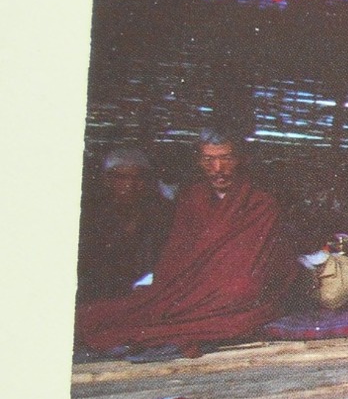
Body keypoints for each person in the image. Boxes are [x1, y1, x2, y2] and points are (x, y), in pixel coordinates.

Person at [75, 131, 296, 356]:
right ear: (199, 161)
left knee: (241, 291)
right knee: (113, 311)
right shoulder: (192, 197)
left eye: (226, 158)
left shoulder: (260, 202)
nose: (218, 168)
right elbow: (177, 250)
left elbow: (262, 259)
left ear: (240, 159)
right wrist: (168, 280)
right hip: (189, 284)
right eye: (209, 160)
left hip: (228, 284)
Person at [75, 147, 174, 303]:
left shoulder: (161, 217)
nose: (130, 185)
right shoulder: (92, 218)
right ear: (107, 180)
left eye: (138, 178)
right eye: (122, 178)